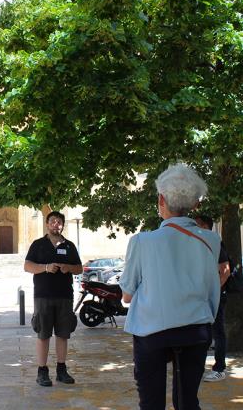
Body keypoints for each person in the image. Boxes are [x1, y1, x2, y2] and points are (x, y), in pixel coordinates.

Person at [119, 163, 222, 410]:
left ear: (161, 199)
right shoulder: (211, 240)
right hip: (196, 328)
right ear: (196, 204)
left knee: (151, 403)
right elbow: (211, 288)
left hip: (151, 331)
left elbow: (127, 295)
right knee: (187, 402)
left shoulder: (141, 241)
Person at [24, 211, 82, 387]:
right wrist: (45, 267)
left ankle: (61, 370)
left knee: (63, 334)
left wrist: (68, 267)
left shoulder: (69, 246)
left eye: (59, 222)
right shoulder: (38, 244)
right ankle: (42, 372)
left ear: (62, 225)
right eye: (52, 221)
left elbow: (79, 268)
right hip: (43, 296)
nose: (56, 224)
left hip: (65, 296)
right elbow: (27, 266)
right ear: (47, 224)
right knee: (43, 334)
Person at [195, 215, 230, 382]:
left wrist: (215, 291)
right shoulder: (198, 244)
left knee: (217, 331)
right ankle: (198, 367)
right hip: (202, 295)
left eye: (197, 225)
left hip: (215, 296)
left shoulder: (214, 242)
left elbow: (225, 270)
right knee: (204, 331)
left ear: (205, 226)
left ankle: (219, 368)